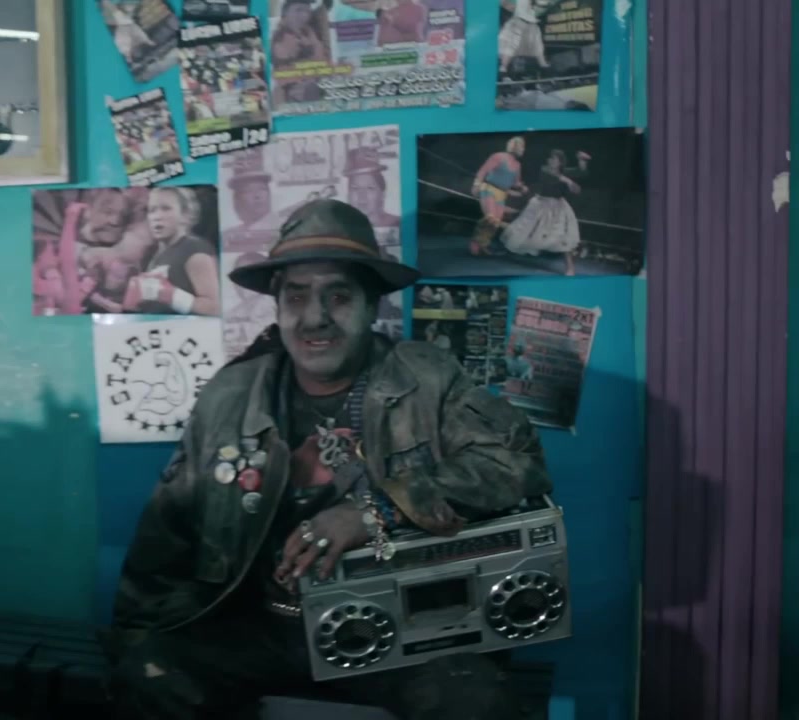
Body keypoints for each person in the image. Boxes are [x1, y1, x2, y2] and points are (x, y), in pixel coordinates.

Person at [108, 199, 552, 719]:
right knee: (149, 676)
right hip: (256, 625)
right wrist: (138, 640)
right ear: (278, 307)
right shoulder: (231, 394)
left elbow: (517, 465)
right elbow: (165, 535)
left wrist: (378, 510)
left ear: (371, 305)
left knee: (475, 703)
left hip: (402, 634)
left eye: (338, 296)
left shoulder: (427, 378)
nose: (315, 317)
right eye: (296, 296)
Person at [123, 187, 220, 316]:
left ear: (185, 215)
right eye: (152, 210)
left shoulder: (194, 249)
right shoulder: (155, 254)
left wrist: (171, 295)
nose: (157, 217)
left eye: (166, 208)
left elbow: (215, 308)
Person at [500, 149, 591, 275]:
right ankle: (508, 251)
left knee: (564, 237)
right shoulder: (544, 170)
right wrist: (568, 181)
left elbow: (581, 172)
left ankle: (570, 268)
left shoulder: (564, 172)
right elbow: (552, 177)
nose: (550, 160)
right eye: (550, 158)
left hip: (558, 208)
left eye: (554, 159)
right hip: (540, 205)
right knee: (524, 230)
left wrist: (582, 160)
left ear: (560, 162)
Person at [470, 136, 528, 256]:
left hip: (502, 194)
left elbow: (515, 182)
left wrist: (522, 187)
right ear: (515, 146)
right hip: (489, 189)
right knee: (491, 218)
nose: (523, 149)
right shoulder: (499, 156)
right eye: (522, 146)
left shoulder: (517, 165)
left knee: (495, 223)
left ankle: (483, 244)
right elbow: (483, 171)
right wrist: (476, 185)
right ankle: (475, 242)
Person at [497, 0, 550, 78]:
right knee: (511, 45)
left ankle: (544, 68)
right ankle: (503, 69)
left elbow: (541, 6)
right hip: (520, 21)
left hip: (529, 22)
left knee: (537, 47)